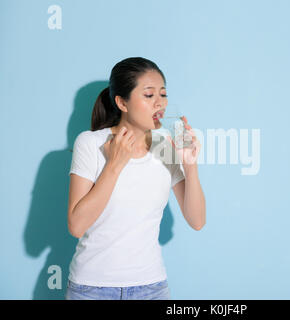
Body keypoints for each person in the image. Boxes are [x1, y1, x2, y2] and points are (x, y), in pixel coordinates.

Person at [65, 57, 206, 300]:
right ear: (122, 102)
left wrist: (190, 166)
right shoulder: (90, 143)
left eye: (163, 94)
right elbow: (76, 226)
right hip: (91, 289)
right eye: (149, 95)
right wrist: (114, 165)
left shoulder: (165, 146)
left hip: (152, 288)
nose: (159, 103)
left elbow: (197, 221)